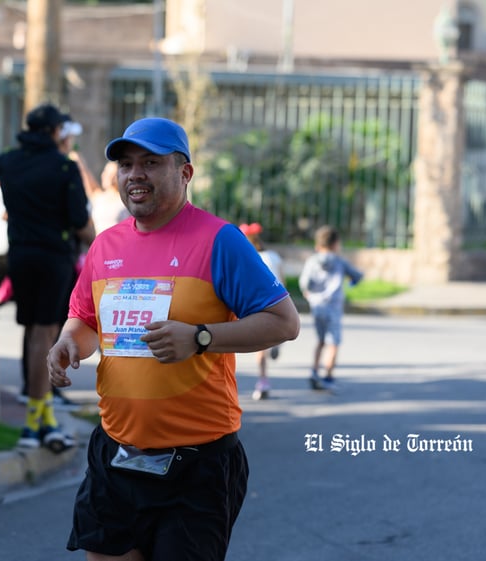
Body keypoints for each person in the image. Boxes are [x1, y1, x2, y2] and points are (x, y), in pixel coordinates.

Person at [47, 117, 300, 560]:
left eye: (150, 162)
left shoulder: (220, 241)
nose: (135, 174)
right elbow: (85, 320)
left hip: (196, 462)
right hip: (116, 453)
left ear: (184, 173)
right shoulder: (106, 246)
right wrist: (69, 342)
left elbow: (283, 322)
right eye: (126, 165)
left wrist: (200, 337)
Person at [0, 102, 95, 450]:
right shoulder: (63, 166)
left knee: (33, 334)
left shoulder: (11, 161)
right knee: (45, 334)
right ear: (56, 131)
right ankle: (37, 424)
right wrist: (104, 249)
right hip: (54, 257)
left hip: (20, 256)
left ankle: (41, 419)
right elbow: (77, 219)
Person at [299, 225, 363, 391]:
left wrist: (308, 293)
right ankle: (328, 375)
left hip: (317, 305)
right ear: (336, 244)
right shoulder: (339, 261)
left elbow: (304, 283)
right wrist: (352, 283)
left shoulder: (312, 261)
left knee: (320, 340)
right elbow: (357, 276)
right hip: (333, 306)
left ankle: (314, 370)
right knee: (333, 342)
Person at [238, 222, 285, 400]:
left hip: (256, 305)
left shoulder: (249, 257)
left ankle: (263, 380)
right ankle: (277, 343)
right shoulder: (273, 256)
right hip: (277, 302)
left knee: (260, 348)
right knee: (277, 332)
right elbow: (282, 281)